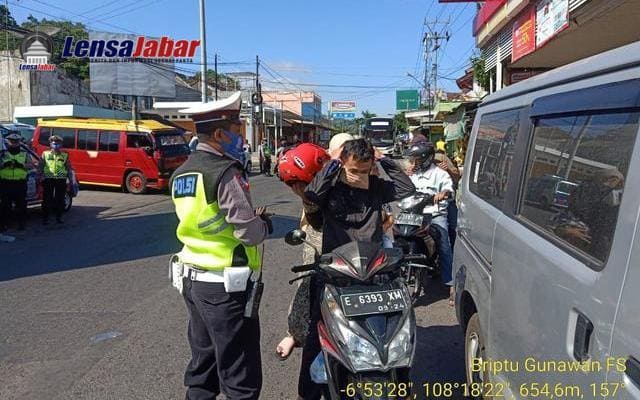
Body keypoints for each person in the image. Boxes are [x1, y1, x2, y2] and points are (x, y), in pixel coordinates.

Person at [171, 93, 272, 400]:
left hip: (193, 280)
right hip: (225, 288)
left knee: (203, 367)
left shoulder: (181, 173)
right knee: (240, 374)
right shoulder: (225, 173)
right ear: (218, 135)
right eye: (237, 131)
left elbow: (201, 218)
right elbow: (248, 233)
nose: (242, 138)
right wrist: (265, 224)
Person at [299, 138, 415, 399]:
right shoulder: (332, 186)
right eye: (353, 171)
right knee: (316, 330)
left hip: (374, 270)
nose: (359, 177)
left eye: (364, 171)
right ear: (343, 164)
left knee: (392, 329)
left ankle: (401, 384)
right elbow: (311, 196)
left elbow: (406, 188)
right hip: (336, 271)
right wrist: (332, 168)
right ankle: (308, 392)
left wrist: (384, 160)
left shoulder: (376, 186)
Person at [274, 134, 353, 362]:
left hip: (352, 256)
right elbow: (312, 212)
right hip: (317, 252)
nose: (294, 190)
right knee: (305, 292)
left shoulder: (355, 183)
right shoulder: (315, 193)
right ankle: (295, 335)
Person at [405, 141, 455, 306]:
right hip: (414, 214)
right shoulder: (413, 174)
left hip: (434, 215)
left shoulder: (440, 174)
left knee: (444, 245)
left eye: (417, 159)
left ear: (426, 159)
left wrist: (444, 193)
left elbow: (449, 189)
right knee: (398, 240)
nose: (414, 163)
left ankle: (451, 284)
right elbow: (403, 192)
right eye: (413, 160)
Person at [0, 133, 32, 230]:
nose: (14, 144)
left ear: (19, 142)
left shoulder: (24, 153)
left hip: (20, 183)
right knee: (5, 206)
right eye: (11, 141)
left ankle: (21, 224)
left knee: (21, 206)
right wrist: (4, 164)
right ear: (7, 141)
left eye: (16, 142)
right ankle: (5, 224)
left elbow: (31, 165)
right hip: (6, 183)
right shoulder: (2, 154)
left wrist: (21, 165)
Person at [40, 135, 73, 225]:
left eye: (57, 143)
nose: (55, 145)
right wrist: (39, 177)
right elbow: (40, 167)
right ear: (50, 144)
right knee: (47, 200)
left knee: (60, 199)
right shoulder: (45, 154)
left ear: (61, 144)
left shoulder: (65, 155)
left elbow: (69, 168)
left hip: (61, 180)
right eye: (54, 143)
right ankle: (45, 218)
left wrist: (71, 180)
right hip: (48, 179)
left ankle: (59, 218)